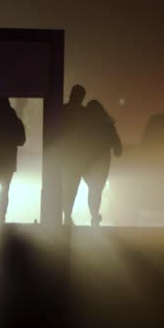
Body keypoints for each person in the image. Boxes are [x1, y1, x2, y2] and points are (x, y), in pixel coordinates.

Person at [77, 100, 122, 227]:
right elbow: (115, 141)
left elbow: (77, 140)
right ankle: (94, 215)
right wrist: (118, 151)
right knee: (96, 189)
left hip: (86, 161)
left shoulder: (84, 124)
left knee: (93, 188)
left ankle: (94, 214)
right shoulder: (107, 124)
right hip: (102, 162)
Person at [0, 96, 26, 224]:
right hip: (8, 162)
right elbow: (21, 140)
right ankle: (0, 218)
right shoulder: (13, 119)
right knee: (4, 191)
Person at [58, 85, 89, 225]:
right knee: (72, 187)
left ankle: (64, 213)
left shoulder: (62, 110)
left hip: (64, 156)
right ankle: (67, 214)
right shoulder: (84, 113)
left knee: (64, 186)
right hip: (77, 158)